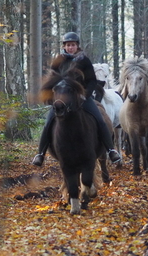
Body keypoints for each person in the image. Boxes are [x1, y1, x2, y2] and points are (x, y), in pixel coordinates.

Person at [32, 32, 122, 166]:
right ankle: (40, 154)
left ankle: (110, 150)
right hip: (62, 99)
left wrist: (85, 95)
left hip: (81, 98)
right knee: (48, 122)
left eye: (73, 45)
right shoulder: (58, 61)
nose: (70, 47)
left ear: (77, 46)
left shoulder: (84, 60)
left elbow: (92, 80)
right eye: (68, 45)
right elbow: (52, 80)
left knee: (100, 119)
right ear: (64, 46)